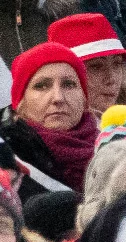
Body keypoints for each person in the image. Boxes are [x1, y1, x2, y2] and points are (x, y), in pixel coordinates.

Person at [4, 41, 96, 193]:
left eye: (68, 84)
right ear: (20, 103)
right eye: (41, 86)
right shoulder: (8, 162)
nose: (58, 98)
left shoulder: (115, 145)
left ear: (84, 98)